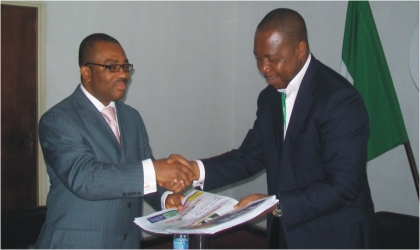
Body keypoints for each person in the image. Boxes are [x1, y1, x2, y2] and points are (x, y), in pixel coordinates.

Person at [167, 8, 377, 248]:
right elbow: (249, 157)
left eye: (273, 59)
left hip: (333, 236)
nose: (264, 68)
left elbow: (344, 187)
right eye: (258, 58)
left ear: (300, 49)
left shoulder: (338, 99)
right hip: (285, 236)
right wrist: (195, 170)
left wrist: (275, 204)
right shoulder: (268, 99)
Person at [36, 33, 194, 249]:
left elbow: (143, 174)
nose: (123, 75)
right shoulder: (59, 119)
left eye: (125, 66)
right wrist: (155, 171)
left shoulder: (131, 117)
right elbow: (85, 178)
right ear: (86, 72)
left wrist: (165, 198)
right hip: (77, 243)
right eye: (112, 67)